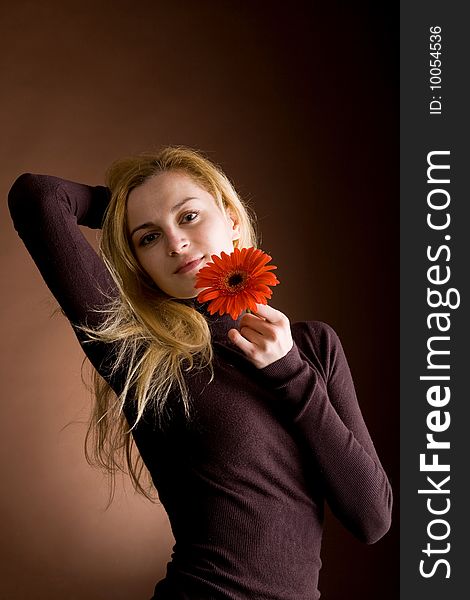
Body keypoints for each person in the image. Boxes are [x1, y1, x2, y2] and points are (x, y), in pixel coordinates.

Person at [8, 146, 392, 600]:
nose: (175, 243)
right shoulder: (140, 351)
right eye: (148, 238)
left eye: (188, 217)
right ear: (140, 262)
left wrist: (291, 374)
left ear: (230, 217)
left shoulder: (313, 347)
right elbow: (38, 197)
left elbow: (373, 519)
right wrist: (124, 211)